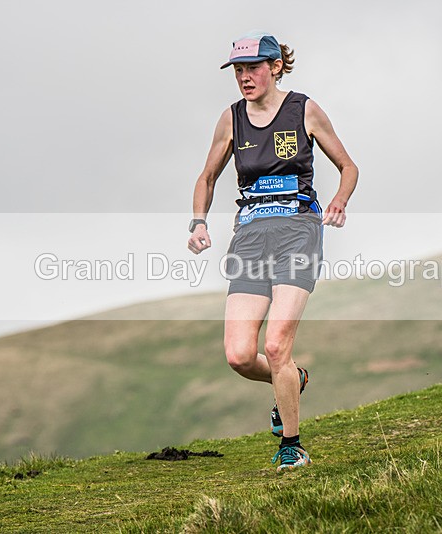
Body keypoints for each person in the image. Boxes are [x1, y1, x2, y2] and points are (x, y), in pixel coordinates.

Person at [187, 31, 358, 473]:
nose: (244, 78)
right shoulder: (231, 119)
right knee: (240, 356)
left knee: (277, 344)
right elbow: (207, 177)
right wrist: (198, 222)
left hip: (298, 231)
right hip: (250, 237)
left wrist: (339, 201)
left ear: (276, 67)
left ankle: (291, 446)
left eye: (253, 69)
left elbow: (348, 166)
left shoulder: (304, 110)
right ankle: (293, 380)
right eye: (238, 71)